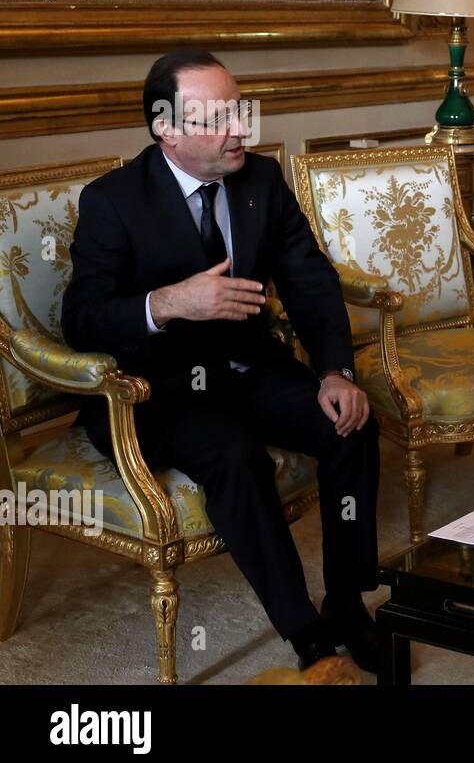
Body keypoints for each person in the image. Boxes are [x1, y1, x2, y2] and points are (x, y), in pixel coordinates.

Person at [62, 48, 381, 672]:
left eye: (239, 110)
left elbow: (311, 282)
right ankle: (306, 631)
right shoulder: (113, 200)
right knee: (235, 456)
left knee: (350, 422)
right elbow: (82, 319)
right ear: (166, 129)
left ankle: (347, 601)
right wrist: (171, 302)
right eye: (217, 117)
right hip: (154, 387)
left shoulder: (261, 180)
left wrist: (335, 372)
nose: (239, 128)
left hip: (248, 368)